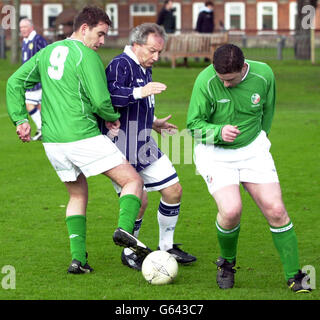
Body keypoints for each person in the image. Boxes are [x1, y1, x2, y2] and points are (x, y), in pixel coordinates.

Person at [6, 6, 152, 275]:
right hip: (82, 137)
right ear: (84, 29)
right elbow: (100, 101)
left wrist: (21, 119)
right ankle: (124, 228)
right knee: (133, 181)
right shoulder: (87, 56)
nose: (102, 41)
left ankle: (78, 260)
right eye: (100, 34)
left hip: (52, 142)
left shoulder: (47, 51)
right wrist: (111, 117)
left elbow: (14, 82)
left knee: (76, 193)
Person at [187, 44, 311, 293]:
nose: (226, 85)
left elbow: (268, 111)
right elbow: (193, 126)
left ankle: (295, 276)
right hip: (215, 153)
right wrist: (218, 132)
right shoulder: (206, 80)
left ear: (243, 68)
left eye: (231, 80)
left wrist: (259, 140)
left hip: (253, 150)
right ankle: (226, 264)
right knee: (231, 210)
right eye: (222, 79)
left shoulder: (264, 74)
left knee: (276, 210)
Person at [97, 23, 196, 271]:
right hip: (119, 144)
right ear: (136, 44)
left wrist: (153, 123)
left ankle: (166, 246)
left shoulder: (144, 66)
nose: (156, 57)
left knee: (173, 190)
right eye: (152, 51)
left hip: (143, 140)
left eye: (159, 52)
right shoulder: (120, 64)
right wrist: (142, 91)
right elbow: (109, 98)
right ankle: (130, 251)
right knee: (139, 200)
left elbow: (134, 107)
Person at [19, 18, 47, 141]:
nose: (23, 30)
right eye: (21, 28)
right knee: (39, 106)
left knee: (28, 104)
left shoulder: (38, 40)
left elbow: (46, 54)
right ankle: (46, 129)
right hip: (29, 79)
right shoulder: (25, 41)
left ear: (31, 27)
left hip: (36, 80)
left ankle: (41, 129)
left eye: (25, 27)